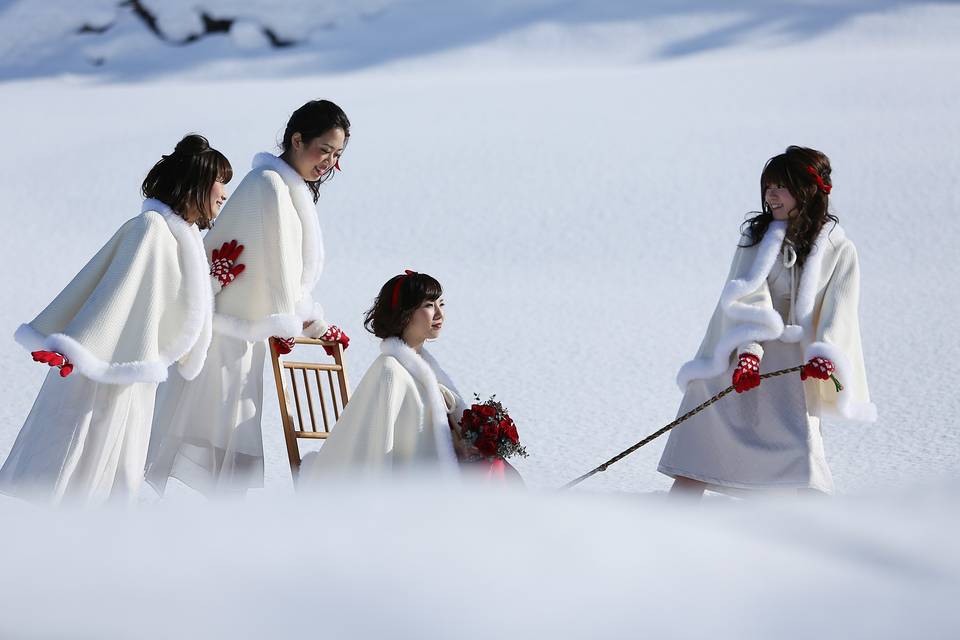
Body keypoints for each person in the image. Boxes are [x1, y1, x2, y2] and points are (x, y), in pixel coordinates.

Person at [0, 134, 243, 506]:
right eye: (219, 184)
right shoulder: (149, 229)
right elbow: (113, 293)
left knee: (115, 469)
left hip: (132, 372)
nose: (224, 194)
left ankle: (97, 544)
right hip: (105, 369)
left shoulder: (179, 236)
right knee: (80, 461)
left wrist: (212, 283)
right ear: (195, 184)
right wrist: (77, 348)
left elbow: (165, 300)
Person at [145, 100, 351, 497]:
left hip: (243, 337)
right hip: (225, 337)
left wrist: (310, 323)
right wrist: (305, 323)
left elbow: (283, 280)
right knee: (213, 435)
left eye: (337, 154)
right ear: (297, 139)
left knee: (225, 436)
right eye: (323, 149)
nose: (328, 161)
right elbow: (277, 273)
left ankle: (211, 523)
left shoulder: (285, 190)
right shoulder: (268, 187)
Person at [658, 146, 876, 497]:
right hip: (746, 351)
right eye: (768, 186)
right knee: (702, 426)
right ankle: (673, 523)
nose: (770, 195)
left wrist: (826, 353)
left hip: (795, 366)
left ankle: (808, 537)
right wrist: (748, 352)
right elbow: (746, 296)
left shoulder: (839, 249)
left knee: (799, 457)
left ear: (806, 191)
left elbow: (840, 309)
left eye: (781, 186)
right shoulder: (756, 238)